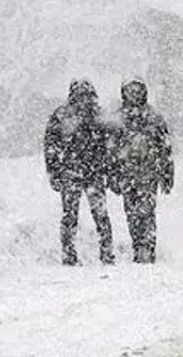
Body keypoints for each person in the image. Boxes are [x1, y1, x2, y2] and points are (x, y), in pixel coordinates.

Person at [44, 79, 115, 266]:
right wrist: (54, 171)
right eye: (80, 94)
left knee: (98, 215)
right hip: (75, 172)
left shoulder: (96, 116)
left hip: (90, 172)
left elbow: (110, 146)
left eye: (86, 94)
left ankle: (105, 254)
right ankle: (71, 254)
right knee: (72, 216)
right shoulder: (63, 115)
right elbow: (50, 146)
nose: (83, 99)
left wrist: (109, 169)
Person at [110, 79, 172, 264]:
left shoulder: (154, 117)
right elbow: (110, 150)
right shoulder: (117, 118)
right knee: (131, 215)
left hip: (148, 175)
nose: (134, 94)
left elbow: (165, 148)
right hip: (126, 176)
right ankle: (138, 248)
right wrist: (113, 175)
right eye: (130, 90)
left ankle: (148, 250)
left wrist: (167, 175)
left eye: (137, 90)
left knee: (147, 213)